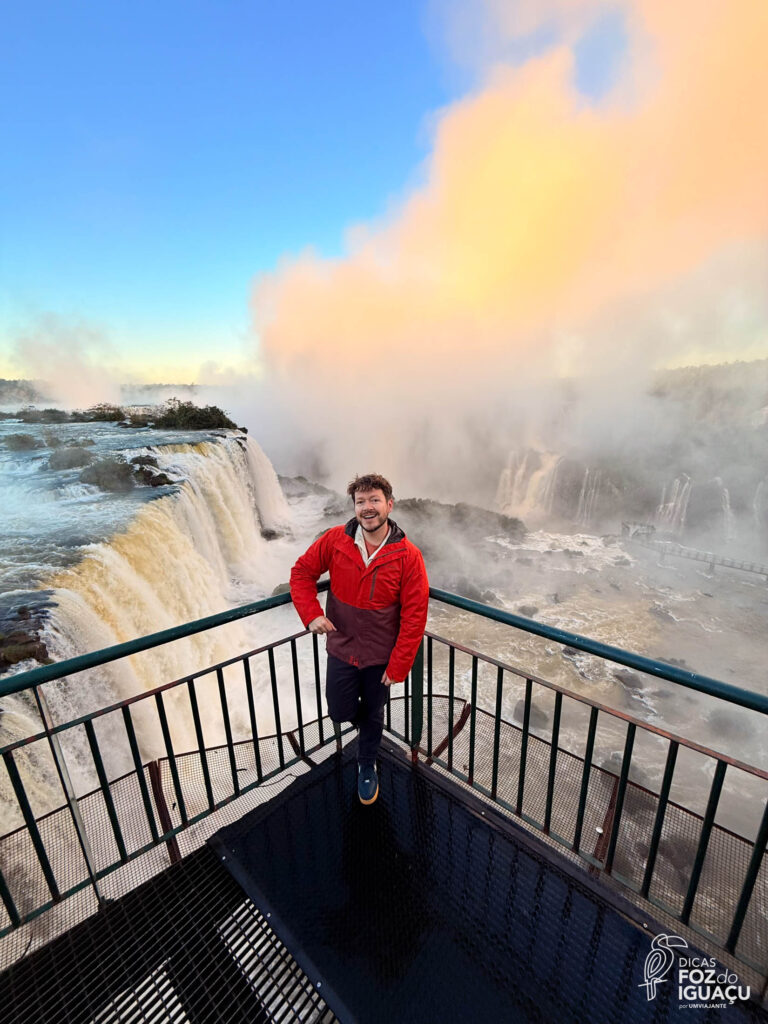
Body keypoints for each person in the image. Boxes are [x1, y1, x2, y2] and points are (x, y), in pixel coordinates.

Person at [290, 473, 429, 804]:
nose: (368, 508)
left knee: (375, 710)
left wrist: (399, 665)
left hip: (380, 657)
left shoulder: (409, 556)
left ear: (389, 505)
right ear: (354, 507)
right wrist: (311, 615)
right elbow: (301, 573)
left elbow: (414, 616)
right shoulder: (335, 540)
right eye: (361, 502)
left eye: (374, 501)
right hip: (342, 647)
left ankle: (367, 765)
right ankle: (370, 732)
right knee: (339, 711)